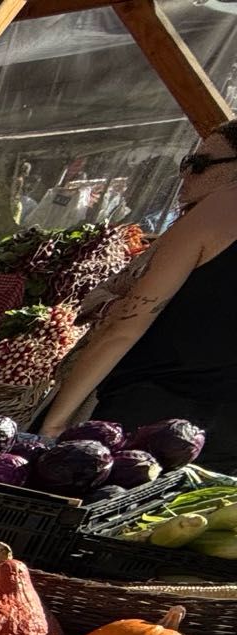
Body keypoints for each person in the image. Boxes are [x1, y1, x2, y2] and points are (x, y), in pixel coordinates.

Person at [39, 121, 237, 467]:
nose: (186, 173)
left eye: (200, 163)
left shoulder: (220, 210)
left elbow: (125, 327)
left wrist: (54, 423)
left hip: (149, 418)